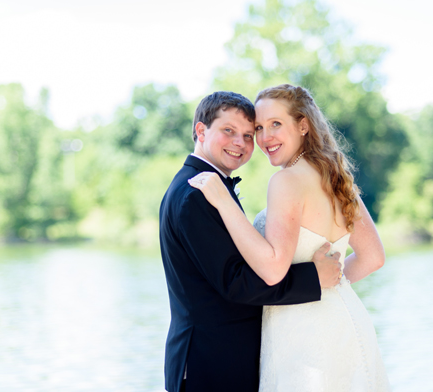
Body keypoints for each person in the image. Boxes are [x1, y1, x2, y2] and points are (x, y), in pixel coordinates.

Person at [189, 84, 389, 391]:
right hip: (345, 321)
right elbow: (374, 257)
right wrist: (327, 283)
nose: (265, 137)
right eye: (259, 128)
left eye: (276, 124)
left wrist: (223, 201)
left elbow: (273, 269)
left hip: (303, 333)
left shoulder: (286, 181)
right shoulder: (337, 178)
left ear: (303, 125)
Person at [159, 91, 344, 392]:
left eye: (248, 134)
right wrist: (313, 277)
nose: (240, 143)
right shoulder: (195, 195)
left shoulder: (210, 186)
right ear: (201, 130)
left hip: (224, 361)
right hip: (211, 365)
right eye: (228, 131)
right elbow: (235, 281)